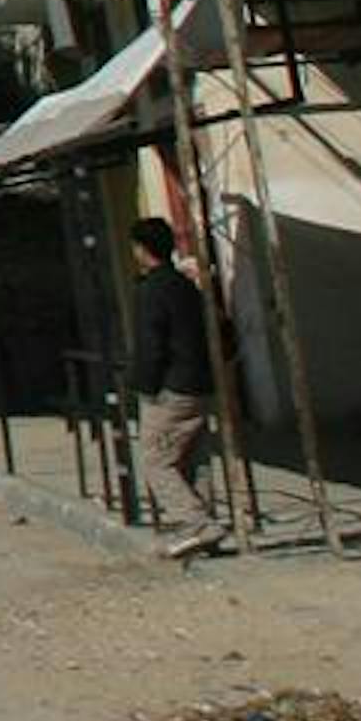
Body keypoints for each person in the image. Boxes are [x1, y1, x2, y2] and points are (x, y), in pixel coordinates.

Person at [128, 215, 228, 558]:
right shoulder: (186, 286)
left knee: (156, 460)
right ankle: (205, 528)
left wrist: (145, 385)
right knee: (194, 458)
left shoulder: (150, 290)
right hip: (200, 383)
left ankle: (198, 524)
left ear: (141, 250)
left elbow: (151, 344)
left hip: (171, 387)